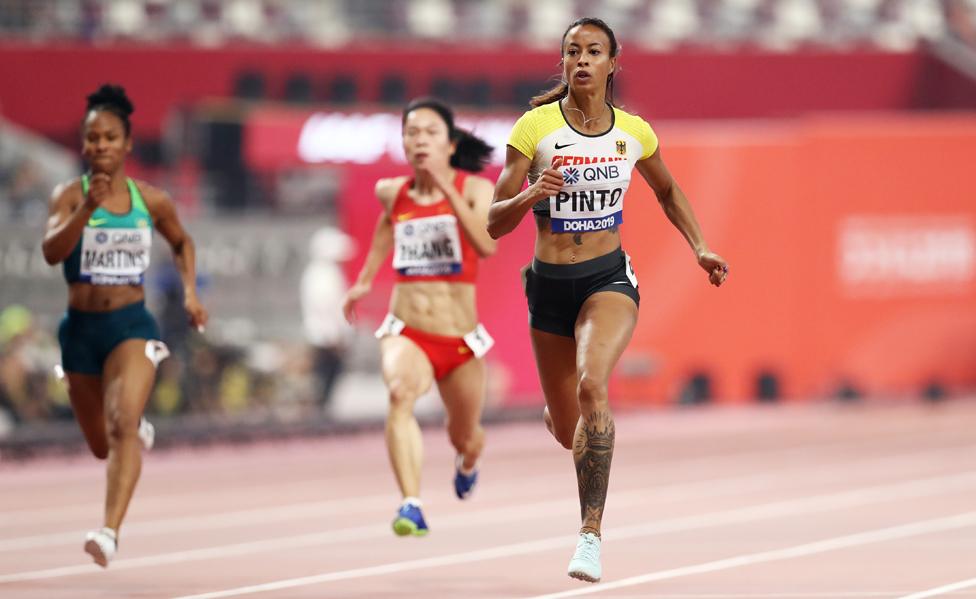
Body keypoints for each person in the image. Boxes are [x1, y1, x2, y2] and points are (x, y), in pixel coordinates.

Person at [488, 17, 729, 583]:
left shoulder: (633, 133)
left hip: (607, 280)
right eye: (572, 51)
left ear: (612, 62)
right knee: (567, 422)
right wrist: (531, 193)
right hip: (548, 288)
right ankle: (563, 410)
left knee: (594, 384)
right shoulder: (535, 128)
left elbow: (668, 190)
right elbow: (495, 223)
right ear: (564, 61)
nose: (581, 60)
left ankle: (590, 536)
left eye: (593, 51)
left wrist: (700, 246)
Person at [41, 84, 207, 567]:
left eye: (110, 138)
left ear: (127, 144)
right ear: (83, 144)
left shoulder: (150, 200)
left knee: (120, 426)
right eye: (92, 138)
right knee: (101, 445)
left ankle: (109, 531)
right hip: (80, 330)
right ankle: (134, 427)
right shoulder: (68, 196)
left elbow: (182, 242)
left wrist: (192, 292)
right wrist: (88, 210)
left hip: (131, 324)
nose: (100, 147)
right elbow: (52, 252)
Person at [342, 98, 497, 536]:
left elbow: (487, 247)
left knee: (465, 436)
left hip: (460, 336)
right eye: (411, 133)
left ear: (450, 145)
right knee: (400, 394)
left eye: (430, 133)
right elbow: (384, 229)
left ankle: (468, 461)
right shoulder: (393, 192)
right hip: (407, 327)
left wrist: (445, 189)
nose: (419, 140)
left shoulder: (474, 189)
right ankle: (410, 503)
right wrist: (365, 280)